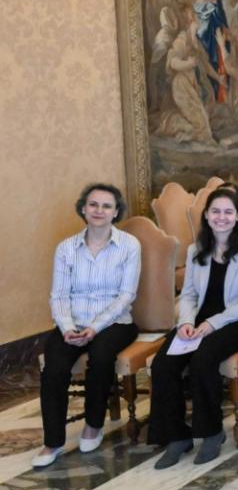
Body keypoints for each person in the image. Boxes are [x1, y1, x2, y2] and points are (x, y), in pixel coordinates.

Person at [148, 187, 238, 468]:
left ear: (237, 217)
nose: (221, 217)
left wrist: (213, 323)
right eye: (215, 211)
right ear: (207, 216)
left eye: (228, 212)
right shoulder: (195, 250)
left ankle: (212, 433)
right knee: (163, 364)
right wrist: (187, 323)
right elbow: (188, 295)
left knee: (203, 360)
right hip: (199, 321)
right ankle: (177, 436)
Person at [34, 184, 141, 470]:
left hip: (115, 323)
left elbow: (126, 295)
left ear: (116, 212)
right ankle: (52, 441)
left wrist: (94, 327)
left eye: (107, 206)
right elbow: (58, 295)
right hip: (73, 322)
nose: (99, 211)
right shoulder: (66, 248)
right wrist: (67, 328)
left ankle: (93, 425)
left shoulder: (129, 245)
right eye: (93, 205)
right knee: (54, 366)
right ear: (83, 208)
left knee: (102, 357)